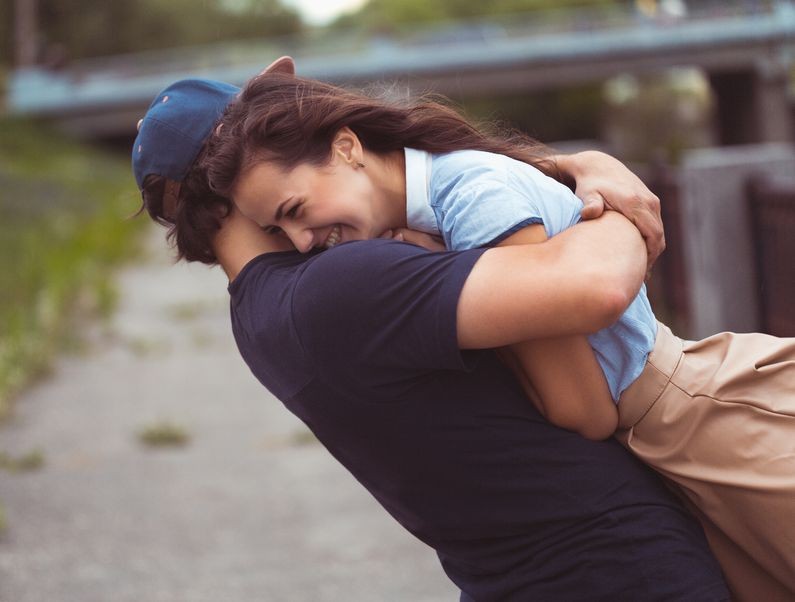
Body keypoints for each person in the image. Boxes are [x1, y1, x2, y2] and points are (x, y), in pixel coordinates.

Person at [200, 63, 795, 601]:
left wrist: (606, 206)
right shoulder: (425, 220)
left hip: (694, 421)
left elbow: (582, 411)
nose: (303, 245)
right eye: (278, 229)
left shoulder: (473, 202)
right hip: (666, 436)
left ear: (348, 147)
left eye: (296, 210)